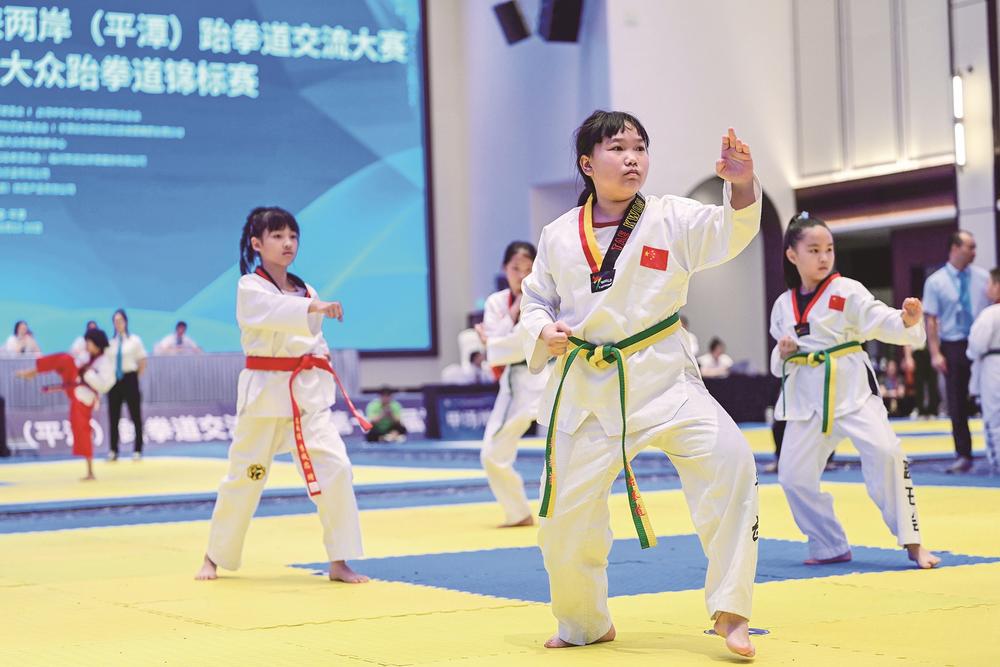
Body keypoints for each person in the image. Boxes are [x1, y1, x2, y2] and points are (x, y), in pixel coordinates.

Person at [520, 111, 761, 657]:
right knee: (563, 524)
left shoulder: (672, 217)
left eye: (640, 147)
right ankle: (585, 622)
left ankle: (731, 610)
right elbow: (536, 299)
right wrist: (542, 330)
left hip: (665, 378)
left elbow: (731, 231)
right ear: (587, 164)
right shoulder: (558, 234)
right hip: (590, 388)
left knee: (732, 462)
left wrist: (742, 184)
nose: (632, 158)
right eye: (617, 148)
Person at [195, 206, 370, 584]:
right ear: (257, 244)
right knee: (245, 479)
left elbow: (315, 340)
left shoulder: (307, 289)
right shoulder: (250, 287)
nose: (287, 243)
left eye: (292, 236)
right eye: (277, 236)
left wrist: (320, 355)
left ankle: (339, 559)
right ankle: (214, 555)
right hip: (264, 401)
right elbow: (271, 310)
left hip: (306, 399)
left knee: (337, 469)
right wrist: (312, 307)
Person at [770, 212, 939, 571]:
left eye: (829, 249)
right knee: (793, 477)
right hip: (807, 401)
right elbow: (777, 359)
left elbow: (879, 318)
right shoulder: (783, 305)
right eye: (814, 250)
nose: (824, 257)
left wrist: (906, 321)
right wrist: (783, 353)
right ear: (792, 255)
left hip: (852, 394)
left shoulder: (846, 291)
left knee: (887, 454)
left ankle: (913, 542)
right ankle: (829, 543)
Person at [475, 241, 550, 527]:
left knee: (570, 451)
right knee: (492, 454)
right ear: (504, 269)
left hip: (552, 377)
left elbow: (513, 342)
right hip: (517, 381)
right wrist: (515, 309)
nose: (522, 275)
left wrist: (494, 342)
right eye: (516, 268)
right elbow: (508, 344)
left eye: (529, 269)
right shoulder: (496, 302)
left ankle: (562, 516)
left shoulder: (547, 299)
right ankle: (518, 512)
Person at [922, 231, 991, 473]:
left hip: (982, 344)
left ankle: (996, 448)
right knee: (957, 403)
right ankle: (963, 454)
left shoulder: (983, 278)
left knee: (992, 398)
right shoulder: (935, 282)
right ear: (955, 248)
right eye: (970, 247)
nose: (974, 252)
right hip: (953, 345)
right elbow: (931, 319)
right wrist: (935, 353)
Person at [15, 328, 114, 480]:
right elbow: (76, 360)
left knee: (82, 430)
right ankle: (34, 371)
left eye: (89, 342)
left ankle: (90, 471)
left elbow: (104, 386)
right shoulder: (86, 355)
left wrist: (87, 373)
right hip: (73, 383)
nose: (87, 345)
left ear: (97, 344)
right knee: (64, 359)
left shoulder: (106, 362)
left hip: (84, 397)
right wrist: (81, 367)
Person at [967, 267, 1000, 472]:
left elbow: (976, 346)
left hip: (993, 367)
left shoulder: (990, 314)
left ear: (997, 286)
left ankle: (997, 463)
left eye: (989, 283)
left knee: (994, 418)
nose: (987, 288)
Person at [106, 309, 148, 461]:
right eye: (115, 321)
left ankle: (137, 449)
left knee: (135, 415)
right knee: (113, 416)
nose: (118, 324)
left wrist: (135, 377)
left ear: (126, 322)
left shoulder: (134, 341)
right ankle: (113, 450)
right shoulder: (110, 343)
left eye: (120, 321)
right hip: (114, 381)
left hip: (130, 378)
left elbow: (142, 361)